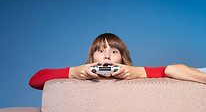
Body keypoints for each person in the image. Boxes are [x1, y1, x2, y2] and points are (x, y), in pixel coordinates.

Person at [29, 33, 166, 90]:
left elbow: (168, 72)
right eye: (101, 51)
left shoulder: (134, 78)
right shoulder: (80, 77)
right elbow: (35, 81)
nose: (107, 56)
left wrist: (137, 72)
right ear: (92, 57)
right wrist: (74, 72)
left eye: (114, 51)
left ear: (122, 58)